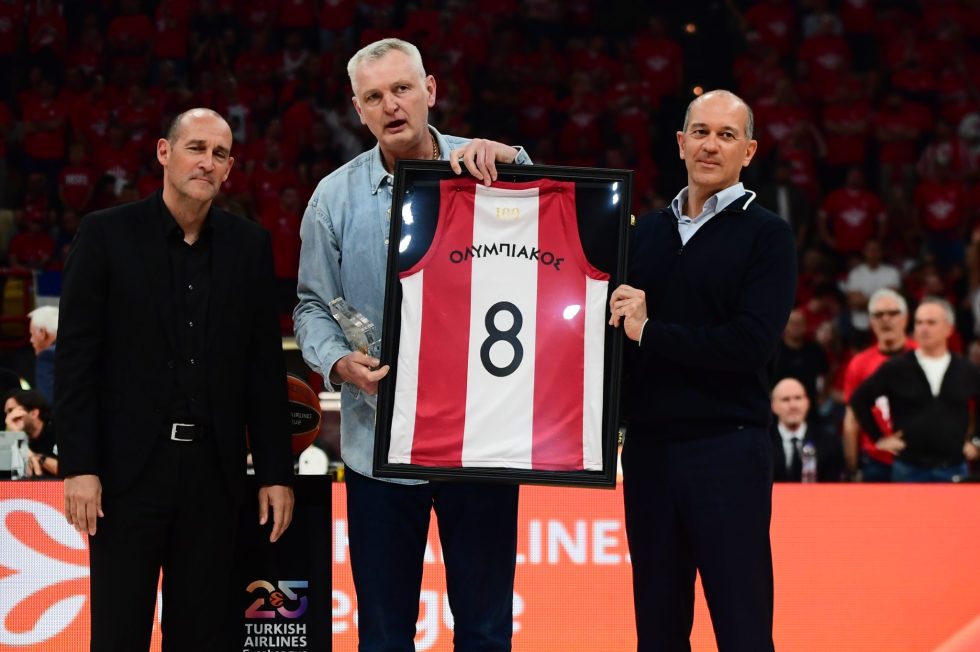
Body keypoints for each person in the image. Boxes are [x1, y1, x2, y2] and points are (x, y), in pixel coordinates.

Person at [293, 38, 530, 651]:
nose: (391, 105)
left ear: (430, 90)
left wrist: (516, 159)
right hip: (378, 447)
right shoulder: (333, 198)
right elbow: (311, 305)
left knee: (484, 631)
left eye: (402, 89)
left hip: (479, 445)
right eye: (374, 97)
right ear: (358, 110)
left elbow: (552, 223)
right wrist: (337, 362)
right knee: (383, 633)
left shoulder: (487, 166)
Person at [55, 108, 295, 651]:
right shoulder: (104, 234)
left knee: (201, 637)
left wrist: (275, 472)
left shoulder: (249, 246)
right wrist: (80, 466)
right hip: (125, 479)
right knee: (118, 634)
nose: (207, 162)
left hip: (214, 477)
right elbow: (75, 362)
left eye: (219, 154)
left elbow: (263, 370)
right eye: (196, 148)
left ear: (229, 168)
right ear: (164, 152)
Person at [608, 89, 796, 651]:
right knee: (658, 632)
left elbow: (749, 345)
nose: (711, 145)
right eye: (701, 132)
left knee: (742, 629)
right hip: (648, 453)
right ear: (680, 143)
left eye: (726, 135)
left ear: (749, 151)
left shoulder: (768, 234)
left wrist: (650, 332)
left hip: (727, 449)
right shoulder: (642, 234)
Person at [850, 297, 980, 482]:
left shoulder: (965, 370)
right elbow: (859, 400)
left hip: (953, 466)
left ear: (948, 329)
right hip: (909, 468)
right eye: (919, 323)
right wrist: (879, 438)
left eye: (931, 323)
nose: (923, 328)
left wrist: (976, 441)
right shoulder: (897, 367)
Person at [840, 288, 914, 481]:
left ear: (905, 318)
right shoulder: (859, 363)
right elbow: (851, 418)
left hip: (918, 458)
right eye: (878, 315)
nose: (886, 319)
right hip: (875, 459)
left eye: (893, 313)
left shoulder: (922, 357)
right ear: (871, 321)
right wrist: (852, 467)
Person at [769, 377, 842, 482]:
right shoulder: (763, 442)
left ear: (807, 402)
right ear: (773, 406)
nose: (793, 405)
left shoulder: (829, 442)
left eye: (798, 398)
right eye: (785, 399)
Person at [4, 389, 58, 477]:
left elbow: (67, 471)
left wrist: (38, 457)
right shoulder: (16, 439)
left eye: (11, 411)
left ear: (34, 413)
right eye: (6, 413)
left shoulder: (57, 433)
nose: (8, 419)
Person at [27, 305, 58, 402]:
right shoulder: (78, 350)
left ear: (42, 333)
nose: (31, 340)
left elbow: (46, 402)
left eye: (32, 334)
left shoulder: (47, 357)